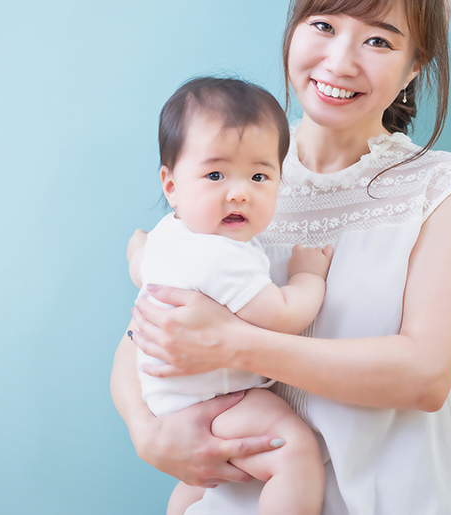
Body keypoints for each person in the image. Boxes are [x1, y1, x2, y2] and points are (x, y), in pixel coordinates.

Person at [111, 0, 451, 514]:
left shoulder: (443, 186)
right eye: (323, 25)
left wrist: (234, 344)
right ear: (293, 29)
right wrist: (147, 433)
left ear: (415, 66)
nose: (340, 61)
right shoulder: (235, 177)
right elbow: (145, 332)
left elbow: (424, 376)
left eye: (379, 41)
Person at [132, 76, 334, 515]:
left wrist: (136, 251)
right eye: (215, 175)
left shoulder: (168, 234)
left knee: (203, 484)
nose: (239, 192)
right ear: (171, 185)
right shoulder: (221, 256)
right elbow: (283, 315)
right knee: (294, 451)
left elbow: (139, 264)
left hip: (171, 400)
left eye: (259, 176)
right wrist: (308, 275)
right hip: (216, 398)